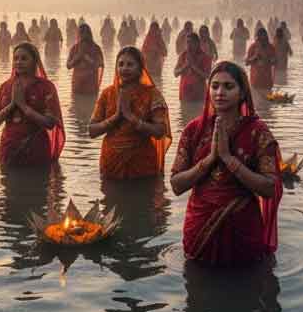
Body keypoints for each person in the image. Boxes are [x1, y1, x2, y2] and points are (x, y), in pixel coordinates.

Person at [170, 61, 282, 266]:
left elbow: (269, 188)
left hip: (243, 227)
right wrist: (210, 159)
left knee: (246, 278)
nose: (220, 92)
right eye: (215, 86)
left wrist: (228, 158)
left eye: (228, 86)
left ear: (242, 92)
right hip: (199, 227)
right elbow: (176, 185)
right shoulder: (194, 130)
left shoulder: (258, 132)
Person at [89, 46, 172, 180]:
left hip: (142, 164)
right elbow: (92, 131)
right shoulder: (107, 94)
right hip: (111, 163)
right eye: (121, 64)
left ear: (140, 68)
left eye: (130, 64)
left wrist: (132, 118)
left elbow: (160, 131)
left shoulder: (152, 94)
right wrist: (116, 117)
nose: (124, 68)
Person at [0, 42, 65, 167]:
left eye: (24, 58)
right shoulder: (5, 87)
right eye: (16, 58)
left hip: (36, 150)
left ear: (35, 61)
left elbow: (50, 123)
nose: (18, 62)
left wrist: (24, 107)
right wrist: (12, 105)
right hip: (9, 150)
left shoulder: (46, 87)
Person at [66, 23, 105, 95]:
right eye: (82, 33)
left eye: (86, 33)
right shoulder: (74, 48)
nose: (84, 35)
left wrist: (86, 58)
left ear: (89, 34)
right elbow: (68, 66)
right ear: (79, 34)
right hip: (77, 86)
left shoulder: (96, 48)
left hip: (91, 86)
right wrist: (78, 57)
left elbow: (100, 64)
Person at [174, 32, 212, 102]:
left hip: (199, 96)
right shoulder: (183, 55)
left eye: (191, 42)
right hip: (184, 95)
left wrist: (194, 67)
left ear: (197, 43)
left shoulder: (205, 57)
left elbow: (207, 76)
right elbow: (175, 73)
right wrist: (185, 66)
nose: (189, 45)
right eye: (187, 42)